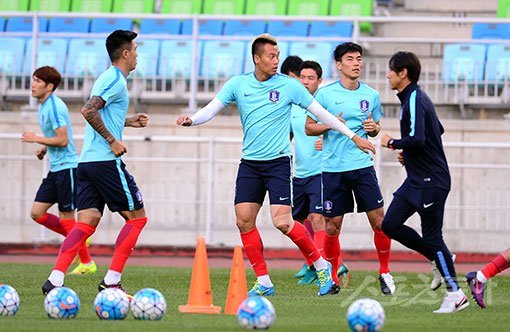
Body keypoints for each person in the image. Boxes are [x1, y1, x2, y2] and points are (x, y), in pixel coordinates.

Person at [176, 34, 375, 297]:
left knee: (283, 222)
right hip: (250, 164)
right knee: (244, 220)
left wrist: (354, 136)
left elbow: (322, 114)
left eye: (278, 55)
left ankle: (322, 266)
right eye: (271, 56)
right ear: (257, 59)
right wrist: (192, 119)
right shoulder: (238, 84)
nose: (276, 60)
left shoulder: (289, 87)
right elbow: (211, 109)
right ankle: (264, 281)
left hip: (278, 163)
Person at [42, 30, 149, 294]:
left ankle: (55, 279)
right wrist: (113, 140)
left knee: (86, 222)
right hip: (104, 161)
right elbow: (88, 109)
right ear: (125, 53)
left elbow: (100, 111)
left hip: (87, 163)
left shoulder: (107, 77)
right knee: (137, 219)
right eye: (135, 50)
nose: (137, 55)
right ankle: (112, 280)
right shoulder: (115, 80)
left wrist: (128, 121)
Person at [380, 51, 469, 313]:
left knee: (432, 236)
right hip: (417, 180)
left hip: (432, 181)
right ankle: (438, 256)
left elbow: (418, 138)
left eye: (390, 70)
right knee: (391, 224)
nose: (387, 74)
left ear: (403, 73)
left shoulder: (416, 98)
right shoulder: (413, 98)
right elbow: (435, 131)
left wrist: (392, 143)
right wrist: (409, 154)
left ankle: (455, 294)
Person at [305, 42, 394, 295]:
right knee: (332, 226)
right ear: (339, 64)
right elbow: (309, 127)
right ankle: (332, 277)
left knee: (379, 220)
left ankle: (385, 272)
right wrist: (331, 125)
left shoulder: (371, 95)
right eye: (351, 59)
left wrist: (374, 129)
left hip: (362, 166)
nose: (357, 63)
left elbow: (376, 127)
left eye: (359, 58)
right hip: (333, 169)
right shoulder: (324, 95)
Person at [22, 66, 96, 275]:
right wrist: (44, 147)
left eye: (38, 81)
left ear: (50, 86)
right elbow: (57, 136)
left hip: (68, 169)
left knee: (66, 216)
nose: (33, 84)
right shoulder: (44, 106)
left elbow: (63, 140)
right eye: (33, 80)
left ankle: (86, 263)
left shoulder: (54, 107)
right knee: (37, 213)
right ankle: (77, 235)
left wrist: (36, 138)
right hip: (56, 169)